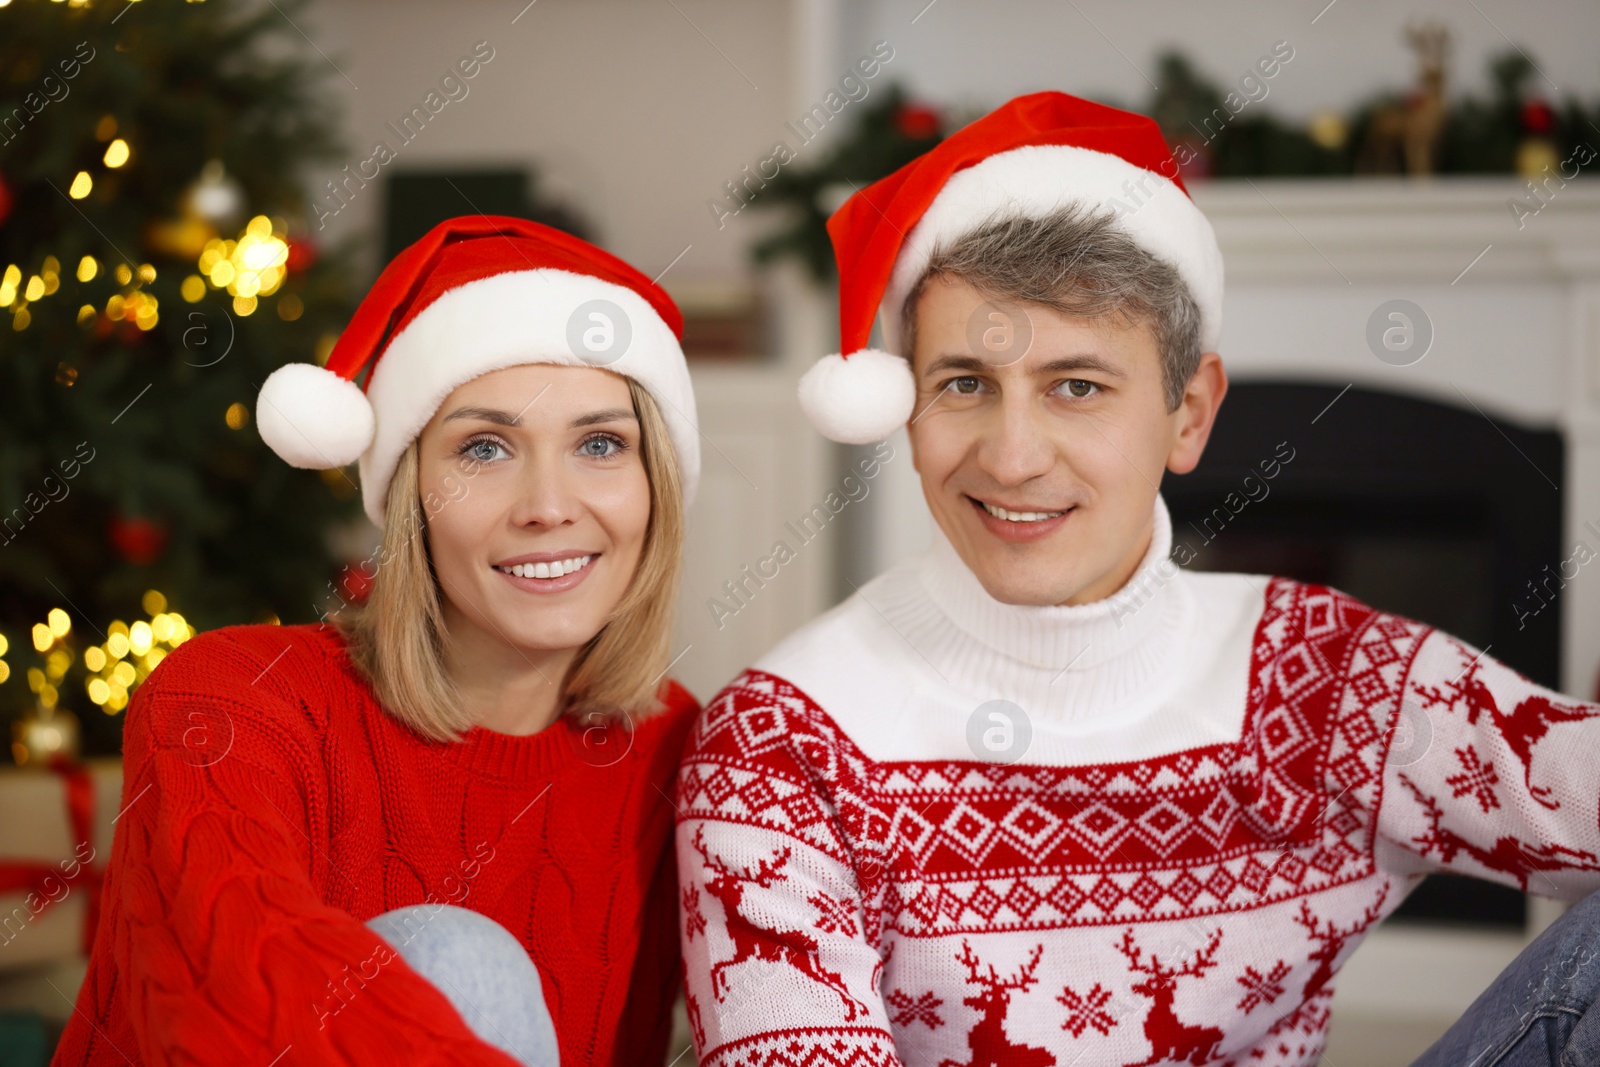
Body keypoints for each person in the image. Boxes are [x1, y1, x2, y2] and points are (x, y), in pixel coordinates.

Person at [673, 92, 1600, 1067]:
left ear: (1189, 413)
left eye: (1077, 385)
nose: (1014, 455)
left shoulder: (1324, 680)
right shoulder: (780, 747)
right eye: (964, 384)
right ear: (905, 409)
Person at [52, 215, 704, 1067]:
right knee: (454, 961)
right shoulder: (231, 700)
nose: (548, 505)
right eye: (484, 446)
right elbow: (244, 1005)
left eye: (600, 443)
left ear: (654, 484)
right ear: (409, 495)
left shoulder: (678, 747)